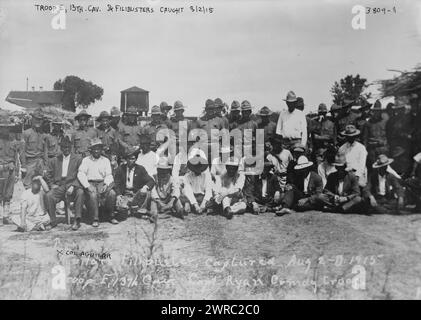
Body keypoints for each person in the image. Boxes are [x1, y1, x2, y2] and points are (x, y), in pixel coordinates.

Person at [45, 137, 84, 229]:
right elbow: (48, 174)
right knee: (49, 195)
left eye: (68, 147)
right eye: (64, 147)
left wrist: (74, 186)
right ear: (61, 148)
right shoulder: (55, 159)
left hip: (72, 184)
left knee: (80, 193)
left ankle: (77, 220)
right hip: (60, 185)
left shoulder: (78, 159)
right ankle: (53, 221)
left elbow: (81, 174)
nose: (66, 149)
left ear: (71, 147)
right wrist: (51, 185)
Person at [77, 138, 118, 228]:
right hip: (90, 182)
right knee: (93, 195)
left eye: (98, 148)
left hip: (101, 182)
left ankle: (111, 215)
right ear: (91, 150)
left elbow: (109, 175)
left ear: (101, 149)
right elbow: (81, 173)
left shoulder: (105, 160)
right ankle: (95, 218)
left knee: (112, 193)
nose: (96, 151)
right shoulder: (86, 160)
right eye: (94, 148)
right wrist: (87, 186)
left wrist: (106, 184)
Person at [114, 147, 155, 217]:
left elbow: (151, 181)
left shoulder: (140, 169)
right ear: (126, 159)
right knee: (122, 211)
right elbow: (116, 183)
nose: (130, 161)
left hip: (136, 194)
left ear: (135, 159)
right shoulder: (121, 169)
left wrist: (145, 187)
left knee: (146, 192)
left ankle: (139, 209)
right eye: (128, 158)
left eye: (132, 159)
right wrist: (118, 195)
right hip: (125, 195)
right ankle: (131, 209)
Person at [21, 108, 48, 189]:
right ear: (32, 119)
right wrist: (24, 166)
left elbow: (45, 151)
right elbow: (22, 151)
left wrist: (46, 166)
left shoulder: (44, 134)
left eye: (40, 120)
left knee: (40, 186)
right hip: (30, 163)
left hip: (40, 163)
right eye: (36, 119)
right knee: (28, 186)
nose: (38, 121)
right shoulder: (26, 133)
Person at [0, 116, 19, 223]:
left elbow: (16, 158)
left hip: (11, 170)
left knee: (8, 193)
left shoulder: (13, 141)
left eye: (7, 128)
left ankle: (6, 216)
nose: (5, 129)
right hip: (1, 169)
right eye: (3, 127)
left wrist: (16, 172)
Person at [386, 103, 413, 176]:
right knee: (396, 165)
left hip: (406, 146)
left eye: (402, 109)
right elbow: (388, 133)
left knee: (406, 165)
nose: (401, 111)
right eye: (399, 109)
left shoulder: (409, 119)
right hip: (395, 146)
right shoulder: (391, 120)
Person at [364, 100, 388, 170]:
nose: (377, 113)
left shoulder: (385, 122)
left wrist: (384, 143)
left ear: (381, 112)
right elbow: (365, 138)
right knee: (373, 169)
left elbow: (389, 136)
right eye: (375, 111)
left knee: (384, 168)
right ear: (373, 112)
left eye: (378, 111)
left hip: (383, 149)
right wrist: (366, 149)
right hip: (372, 150)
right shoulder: (368, 123)